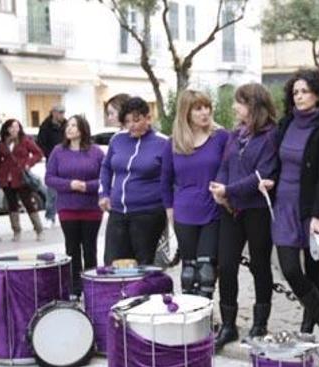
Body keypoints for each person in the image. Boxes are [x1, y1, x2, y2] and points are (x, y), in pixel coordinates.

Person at [272, 68, 319, 354]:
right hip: (283, 205)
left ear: (317, 95)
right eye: (296, 92)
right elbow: (277, 163)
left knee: (314, 272)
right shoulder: (285, 123)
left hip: (310, 209)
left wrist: (315, 216)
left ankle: (310, 327)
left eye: (305, 91)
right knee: (290, 269)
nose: (300, 97)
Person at [209, 83, 278, 351]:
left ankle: (260, 323)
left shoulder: (271, 136)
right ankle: (229, 325)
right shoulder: (235, 134)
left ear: (253, 105)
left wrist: (230, 189)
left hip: (257, 210)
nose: (235, 107)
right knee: (226, 265)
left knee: (260, 265)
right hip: (230, 209)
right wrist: (221, 191)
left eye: (239, 102)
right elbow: (225, 165)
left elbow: (262, 173)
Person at [161, 90, 229, 299]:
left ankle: (205, 319)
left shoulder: (221, 137)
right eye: (198, 108)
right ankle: (190, 320)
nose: (205, 112)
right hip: (184, 212)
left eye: (207, 107)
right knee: (189, 270)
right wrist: (170, 211)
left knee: (207, 270)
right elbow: (165, 181)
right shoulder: (173, 143)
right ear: (186, 112)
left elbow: (229, 169)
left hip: (213, 210)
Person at [99, 97, 168, 266]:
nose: (132, 125)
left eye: (136, 120)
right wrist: (104, 194)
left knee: (142, 264)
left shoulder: (163, 143)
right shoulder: (117, 139)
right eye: (127, 121)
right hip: (117, 212)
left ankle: (142, 292)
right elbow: (106, 168)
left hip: (148, 213)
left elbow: (170, 177)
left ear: (148, 118)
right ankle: (116, 293)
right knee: (112, 262)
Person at [44, 115, 104, 297]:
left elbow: (106, 177)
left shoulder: (96, 152)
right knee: (72, 248)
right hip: (67, 207)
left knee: (90, 248)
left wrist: (88, 186)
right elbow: (49, 178)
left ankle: (93, 288)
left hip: (91, 208)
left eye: (74, 125)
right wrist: (69, 185)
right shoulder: (58, 151)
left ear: (83, 129)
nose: (69, 129)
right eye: (67, 125)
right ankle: (74, 289)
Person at [0, 118, 44, 241]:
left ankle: (38, 229)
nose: (14, 129)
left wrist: (28, 163)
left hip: (21, 177)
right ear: (7, 129)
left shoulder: (25, 140)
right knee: (12, 205)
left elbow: (38, 154)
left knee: (28, 203)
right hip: (6, 178)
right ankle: (16, 230)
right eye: (11, 127)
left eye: (17, 127)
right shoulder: (2, 143)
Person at [37, 103, 67, 228]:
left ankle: (65, 215)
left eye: (63, 112)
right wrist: (50, 155)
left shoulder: (66, 124)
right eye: (59, 112)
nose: (62, 115)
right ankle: (50, 217)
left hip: (67, 160)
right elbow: (40, 143)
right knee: (52, 191)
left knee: (68, 189)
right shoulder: (45, 126)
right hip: (52, 161)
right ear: (53, 113)